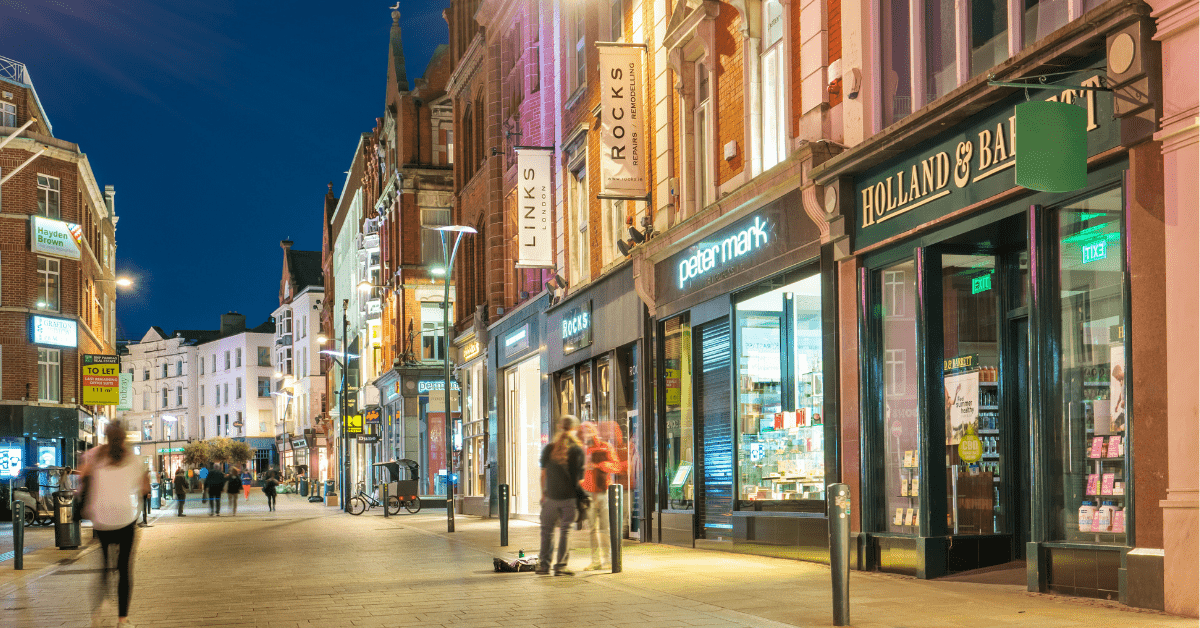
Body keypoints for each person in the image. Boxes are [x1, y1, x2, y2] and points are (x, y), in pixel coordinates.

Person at [79, 420, 150, 627]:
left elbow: (82, 477)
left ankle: (96, 615)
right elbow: (145, 489)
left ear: (107, 436)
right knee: (124, 569)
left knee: (102, 568)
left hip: (101, 521)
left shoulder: (93, 456)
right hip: (126, 520)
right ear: (124, 437)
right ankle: (122, 620)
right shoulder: (135, 460)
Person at [537, 415, 585, 576]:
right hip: (569, 498)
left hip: (551, 497)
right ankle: (560, 567)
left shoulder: (549, 449)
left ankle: (544, 566)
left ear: (559, 427)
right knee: (565, 531)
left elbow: (543, 474)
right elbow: (579, 479)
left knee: (546, 532)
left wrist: (544, 493)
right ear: (575, 429)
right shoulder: (577, 450)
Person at [579, 422, 622, 571]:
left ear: (594, 431)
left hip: (603, 492)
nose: (587, 434)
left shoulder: (606, 447)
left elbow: (617, 467)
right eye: (584, 432)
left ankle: (608, 560)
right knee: (592, 529)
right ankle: (595, 561)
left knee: (605, 528)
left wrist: (602, 465)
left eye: (589, 431)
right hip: (589, 494)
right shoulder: (582, 450)